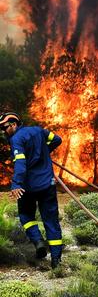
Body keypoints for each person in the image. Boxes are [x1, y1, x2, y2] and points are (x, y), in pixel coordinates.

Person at [0, 112, 63, 268]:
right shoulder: (38, 130)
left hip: (28, 187)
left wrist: (16, 184)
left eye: (5, 127)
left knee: (25, 216)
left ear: (14, 124)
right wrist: (44, 152)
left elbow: (20, 164)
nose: (3, 131)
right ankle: (56, 261)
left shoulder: (16, 139)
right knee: (51, 221)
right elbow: (57, 140)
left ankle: (38, 241)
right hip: (48, 185)